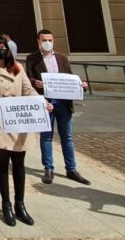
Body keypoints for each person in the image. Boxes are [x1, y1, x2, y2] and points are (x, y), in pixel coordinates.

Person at [0, 35, 53, 227]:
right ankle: (6, 204)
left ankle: (20, 204)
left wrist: (42, 102)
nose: (0, 48)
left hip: (19, 119)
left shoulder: (18, 67)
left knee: (19, 163)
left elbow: (28, 89)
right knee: (2, 162)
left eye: (3, 45)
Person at [25, 30, 91, 185]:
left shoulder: (62, 58)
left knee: (67, 137)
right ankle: (48, 169)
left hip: (63, 102)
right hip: (46, 102)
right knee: (46, 136)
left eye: (50, 39)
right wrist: (35, 83)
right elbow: (28, 78)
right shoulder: (32, 59)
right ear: (38, 41)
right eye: (44, 40)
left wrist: (81, 85)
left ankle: (71, 169)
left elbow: (70, 77)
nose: (47, 42)